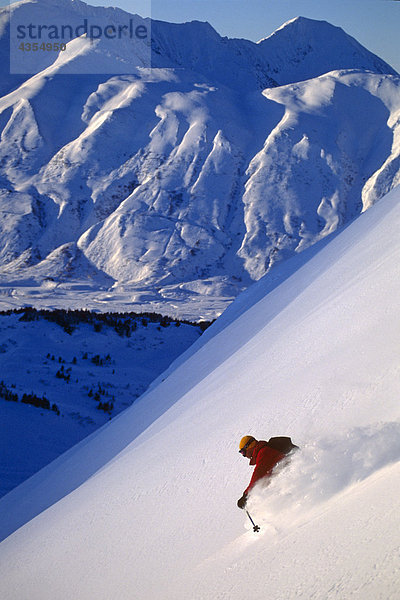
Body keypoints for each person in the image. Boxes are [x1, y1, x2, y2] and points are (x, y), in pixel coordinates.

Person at [237, 435, 298, 509]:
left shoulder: (264, 452)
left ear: (249, 446)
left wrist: (246, 495)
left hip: (293, 476)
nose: (244, 456)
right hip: (291, 477)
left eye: (243, 452)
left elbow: (259, 474)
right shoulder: (264, 451)